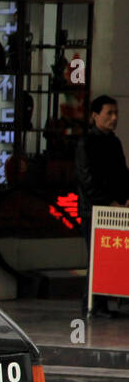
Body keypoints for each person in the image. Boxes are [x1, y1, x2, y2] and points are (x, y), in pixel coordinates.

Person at [75, 94, 129, 317]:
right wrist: (108, 202)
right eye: (109, 113)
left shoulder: (114, 142)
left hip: (116, 210)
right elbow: (87, 180)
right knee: (97, 258)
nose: (114, 118)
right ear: (95, 115)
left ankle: (107, 303)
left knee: (113, 257)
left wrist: (125, 198)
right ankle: (94, 305)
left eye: (116, 113)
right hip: (93, 211)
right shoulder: (86, 144)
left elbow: (123, 175)